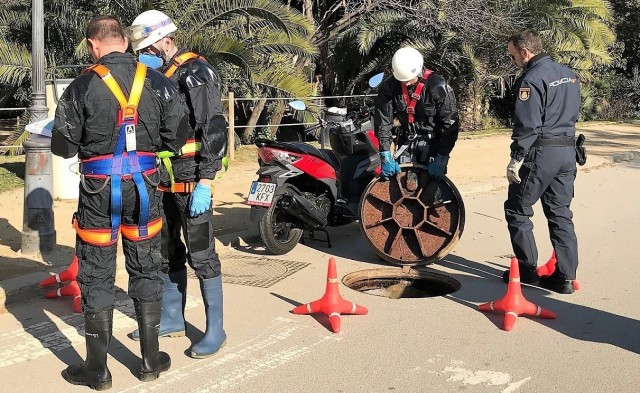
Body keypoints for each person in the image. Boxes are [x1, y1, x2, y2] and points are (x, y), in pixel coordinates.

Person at [51, 15, 188, 389]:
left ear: (94, 46)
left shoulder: (81, 86)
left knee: (96, 271)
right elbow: (176, 138)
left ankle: (98, 370)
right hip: (145, 187)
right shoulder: (159, 82)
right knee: (145, 265)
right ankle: (149, 361)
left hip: (98, 191)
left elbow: (62, 146)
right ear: (126, 43)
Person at [126, 10, 228, 359]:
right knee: (167, 251)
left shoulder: (196, 72)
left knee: (202, 255)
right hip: (163, 180)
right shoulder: (159, 75)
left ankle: (216, 328)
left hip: (191, 178)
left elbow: (213, 126)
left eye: (147, 48)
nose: (143, 55)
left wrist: (206, 181)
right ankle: (173, 317)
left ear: (164, 40)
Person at [503, 30, 581, 294]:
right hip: (567, 151)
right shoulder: (569, 74)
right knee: (560, 212)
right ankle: (566, 277)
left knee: (517, 208)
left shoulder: (532, 79)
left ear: (526, 52)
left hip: (541, 153)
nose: (513, 60)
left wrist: (516, 158)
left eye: (513, 55)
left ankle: (527, 269)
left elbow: (528, 124)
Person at [374, 46, 460, 182]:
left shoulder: (438, 87)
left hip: (433, 145)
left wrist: (442, 157)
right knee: (401, 184)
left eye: (409, 79)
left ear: (419, 70)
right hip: (405, 142)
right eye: (402, 80)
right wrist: (385, 154)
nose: (406, 82)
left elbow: (449, 124)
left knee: (430, 189)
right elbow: (383, 122)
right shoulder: (389, 87)